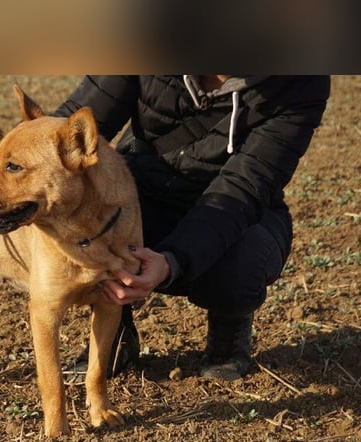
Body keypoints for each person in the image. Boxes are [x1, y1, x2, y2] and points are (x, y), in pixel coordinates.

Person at [54, 75, 331, 380]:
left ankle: (229, 329)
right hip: (141, 191)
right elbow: (66, 129)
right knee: (83, 217)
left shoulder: (300, 81)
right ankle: (113, 332)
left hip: (232, 208)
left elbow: (243, 187)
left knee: (242, 263)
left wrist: (173, 261)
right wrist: (6, 184)